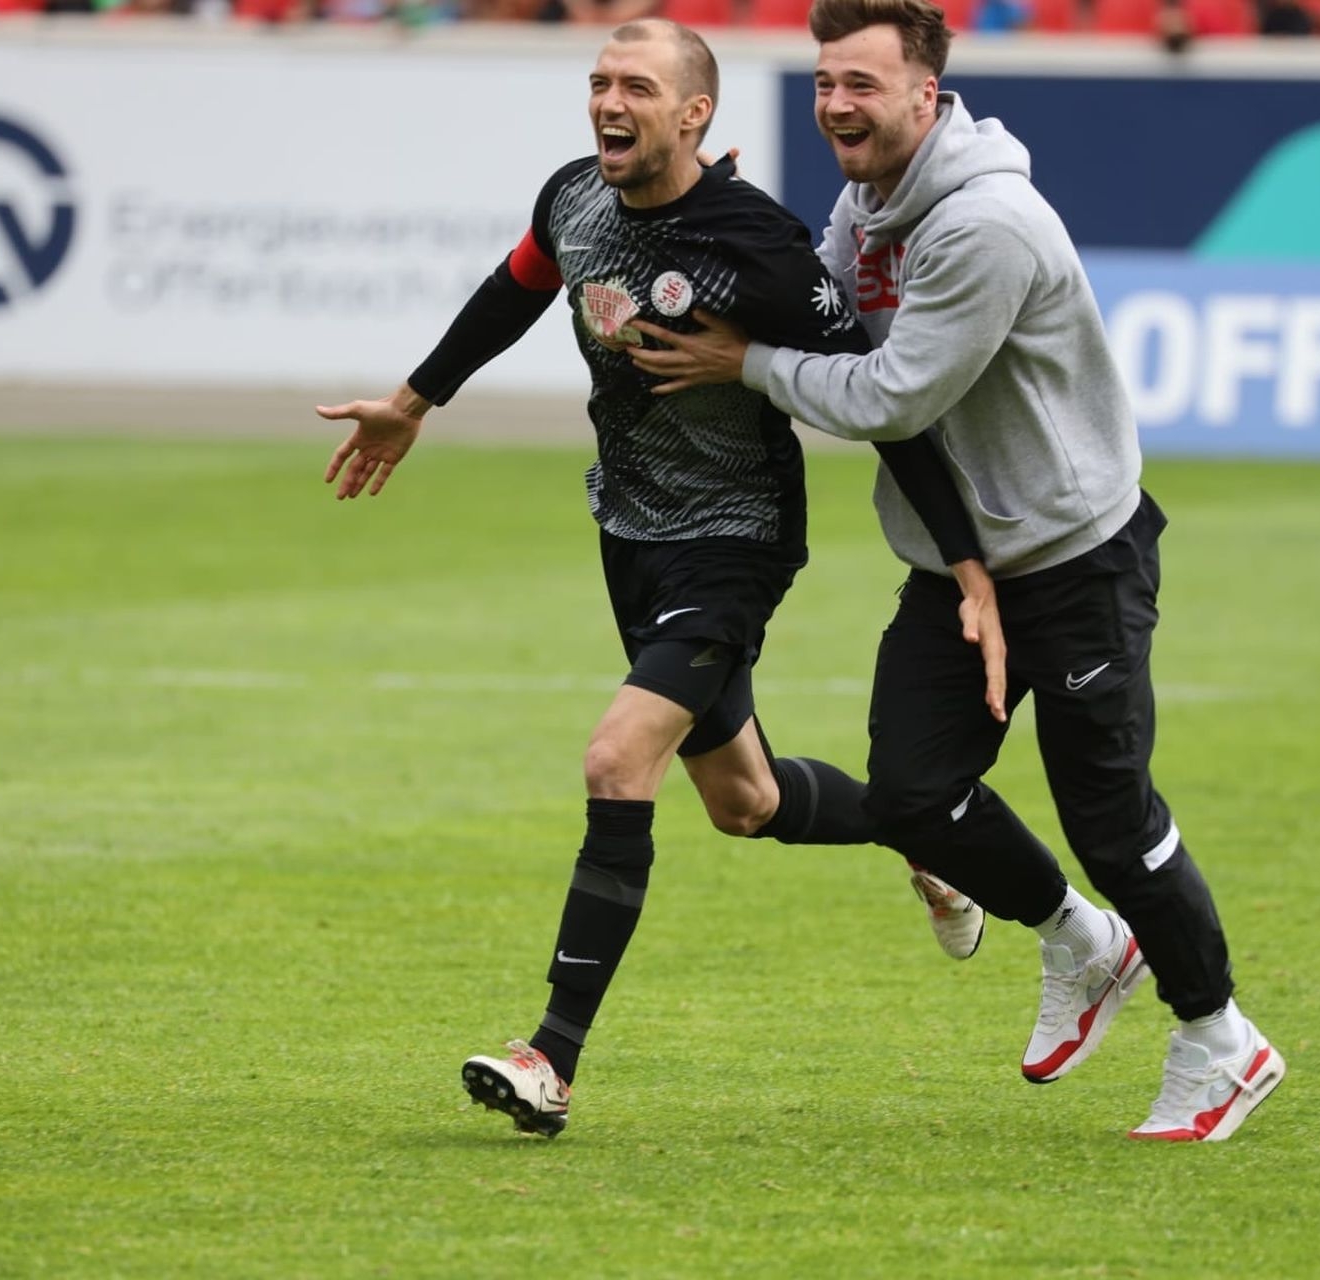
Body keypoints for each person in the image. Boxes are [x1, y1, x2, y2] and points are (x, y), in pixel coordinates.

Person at [317, 18, 1009, 1139]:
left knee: (616, 756)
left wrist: (968, 565)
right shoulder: (575, 197)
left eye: (636, 85)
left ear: (695, 115)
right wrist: (413, 400)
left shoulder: (758, 248)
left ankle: (550, 1058)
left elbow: (887, 404)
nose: (608, 101)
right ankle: (923, 834)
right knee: (747, 803)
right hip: (630, 532)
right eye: (599, 81)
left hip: (735, 538)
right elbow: (516, 285)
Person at [630, 0, 1284, 1142]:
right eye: (825, 81)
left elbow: (891, 394)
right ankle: (1084, 942)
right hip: (959, 566)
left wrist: (747, 362)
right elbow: (820, 309)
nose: (837, 104)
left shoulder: (987, 225)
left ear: (926, 97)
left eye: (863, 85)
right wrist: (720, 228)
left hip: (1074, 558)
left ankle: (1222, 1038)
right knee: (912, 798)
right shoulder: (866, 201)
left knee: (1113, 821)